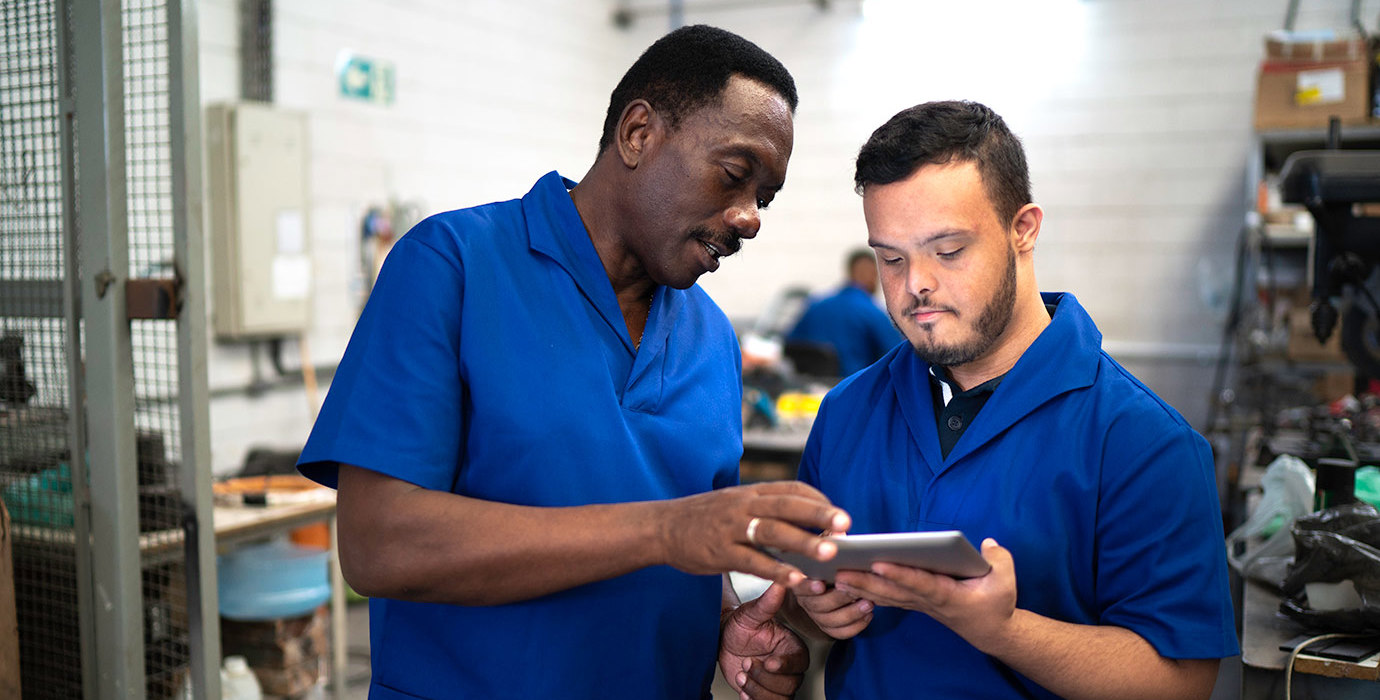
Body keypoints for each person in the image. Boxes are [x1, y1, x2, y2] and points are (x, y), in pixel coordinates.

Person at [296, 25, 851, 700]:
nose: (750, 217)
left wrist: (728, 624)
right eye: (734, 176)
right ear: (639, 134)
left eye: (764, 198)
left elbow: (685, 561)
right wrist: (665, 529)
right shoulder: (454, 265)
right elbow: (379, 545)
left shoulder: (709, 338)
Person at [783, 100, 1239, 699]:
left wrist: (1004, 631)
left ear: (1022, 229)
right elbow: (798, 590)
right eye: (891, 258)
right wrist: (810, 610)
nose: (916, 283)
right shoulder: (847, 413)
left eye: (948, 251)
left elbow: (1181, 684)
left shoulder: (1143, 442)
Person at [785, 248, 902, 376]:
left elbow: (789, 346)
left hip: (810, 389)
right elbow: (899, 356)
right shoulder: (872, 312)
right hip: (854, 388)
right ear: (873, 274)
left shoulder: (814, 306)